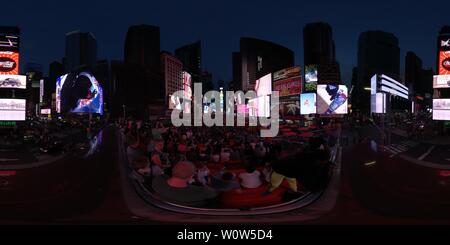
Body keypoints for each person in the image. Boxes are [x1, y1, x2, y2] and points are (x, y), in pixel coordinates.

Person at [152, 161, 218, 207]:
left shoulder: (158, 179)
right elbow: (213, 193)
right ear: (191, 177)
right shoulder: (201, 191)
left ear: (172, 170)